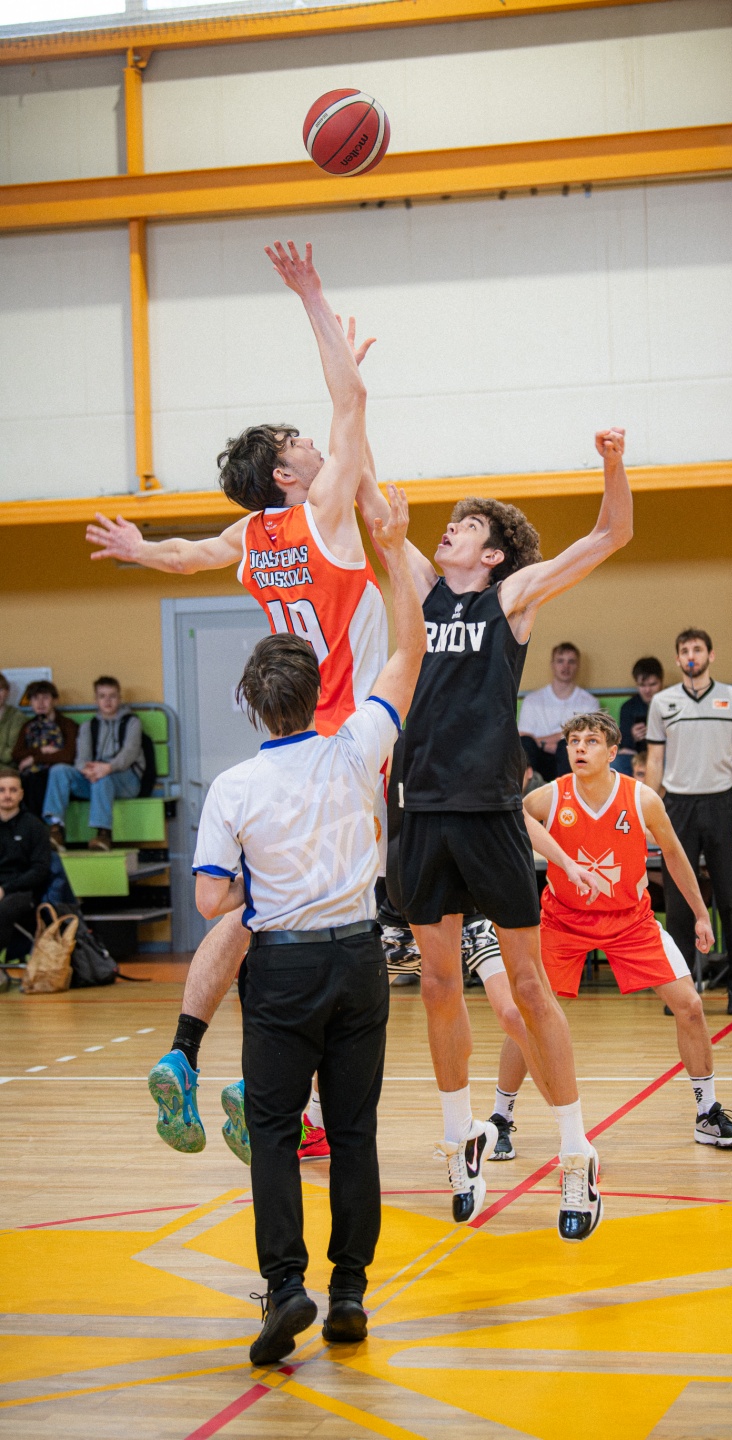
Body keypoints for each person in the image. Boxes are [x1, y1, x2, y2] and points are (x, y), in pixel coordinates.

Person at [88, 242, 384, 1161]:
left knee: (253, 908)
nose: (314, 445)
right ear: (291, 476)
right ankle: (272, 1091)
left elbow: (187, 557)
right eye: (301, 446)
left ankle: (186, 1052)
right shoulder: (324, 515)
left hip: (287, 743)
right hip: (345, 739)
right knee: (330, 925)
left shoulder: (254, 536)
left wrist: (140, 550)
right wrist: (312, 294)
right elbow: (351, 405)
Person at [358, 428, 633, 1240]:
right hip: (418, 811)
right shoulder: (419, 583)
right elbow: (366, 492)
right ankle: (461, 1137)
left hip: (488, 813)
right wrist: (349, 401)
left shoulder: (509, 599)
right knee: (437, 985)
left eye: (468, 526)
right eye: (451, 523)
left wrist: (612, 464)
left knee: (529, 988)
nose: (449, 529)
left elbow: (611, 534)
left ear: (493, 555)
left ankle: (577, 1152)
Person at [190, 485, 423, 1365]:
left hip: (281, 970)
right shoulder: (358, 745)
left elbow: (211, 902)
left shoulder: (234, 789)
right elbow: (408, 651)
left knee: (276, 1135)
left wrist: (261, 885)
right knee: (355, 1133)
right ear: (322, 686)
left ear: (254, 707)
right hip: (360, 961)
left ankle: (286, 1287)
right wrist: (392, 551)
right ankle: (351, 1290)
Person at [490, 712, 732, 1156]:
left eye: (591, 741)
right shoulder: (549, 797)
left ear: (613, 753)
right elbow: (510, 819)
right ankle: (501, 1117)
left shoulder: (642, 798)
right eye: (574, 741)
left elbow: (675, 854)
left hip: (630, 920)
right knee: (525, 1014)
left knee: (689, 1006)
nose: (579, 748)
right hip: (563, 921)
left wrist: (700, 914)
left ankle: (707, 1113)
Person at [645, 628, 732, 1015]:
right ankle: (682, 989)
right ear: (677, 659)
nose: (691, 655)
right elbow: (654, 761)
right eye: (684, 650)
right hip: (677, 808)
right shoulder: (662, 702)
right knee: (679, 905)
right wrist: (647, 810)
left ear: (711, 655)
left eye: (697, 649)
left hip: (723, 804)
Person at [42, 676, 144, 853]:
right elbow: (81, 758)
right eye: (102, 696)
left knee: (102, 778)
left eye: (112, 696)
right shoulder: (88, 726)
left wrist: (107, 768)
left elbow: (129, 753)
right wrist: (87, 770)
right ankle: (56, 829)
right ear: (95, 699)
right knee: (59, 771)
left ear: (119, 698)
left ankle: (103, 834)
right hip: (95, 778)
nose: (107, 701)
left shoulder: (132, 722)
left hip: (125, 779)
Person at [518, 642, 596, 781]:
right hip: (537, 756)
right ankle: (530, 789)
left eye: (571, 661)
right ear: (552, 664)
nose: (566, 666)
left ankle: (567, 791)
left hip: (569, 757)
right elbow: (522, 737)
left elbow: (587, 738)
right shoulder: (532, 700)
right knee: (526, 743)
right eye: (560, 661)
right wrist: (546, 744)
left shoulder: (589, 702)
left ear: (578, 665)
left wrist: (548, 743)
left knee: (567, 744)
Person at [0, 766, 52, 959]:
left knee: (4, 909)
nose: (7, 795)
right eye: (2, 790)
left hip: (23, 891)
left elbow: (40, 869)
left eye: (13, 790)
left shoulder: (34, 826)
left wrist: (5, 889)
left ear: (21, 794)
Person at [12, 682, 78, 820]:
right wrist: (42, 750)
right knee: (22, 782)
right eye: (35, 698)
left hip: (57, 776)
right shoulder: (28, 726)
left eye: (45, 698)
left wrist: (34, 759)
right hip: (31, 775)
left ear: (55, 700)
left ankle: (37, 828)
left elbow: (68, 756)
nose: (40, 703)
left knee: (36, 781)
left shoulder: (67, 725)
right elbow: (17, 754)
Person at [613, 656, 663, 775]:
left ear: (661, 682)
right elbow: (623, 746)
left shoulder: (669, 704)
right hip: (636, 756)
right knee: (615, 763)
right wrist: (633, 737)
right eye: (642, 685)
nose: (647, 690)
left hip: (664, 755)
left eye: (652, 684)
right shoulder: (628, 707)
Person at [0, 675, 26, 766]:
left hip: (7, 768)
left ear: (7, 692)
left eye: (0, 689)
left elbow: (12, 753)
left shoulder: (17, 717)